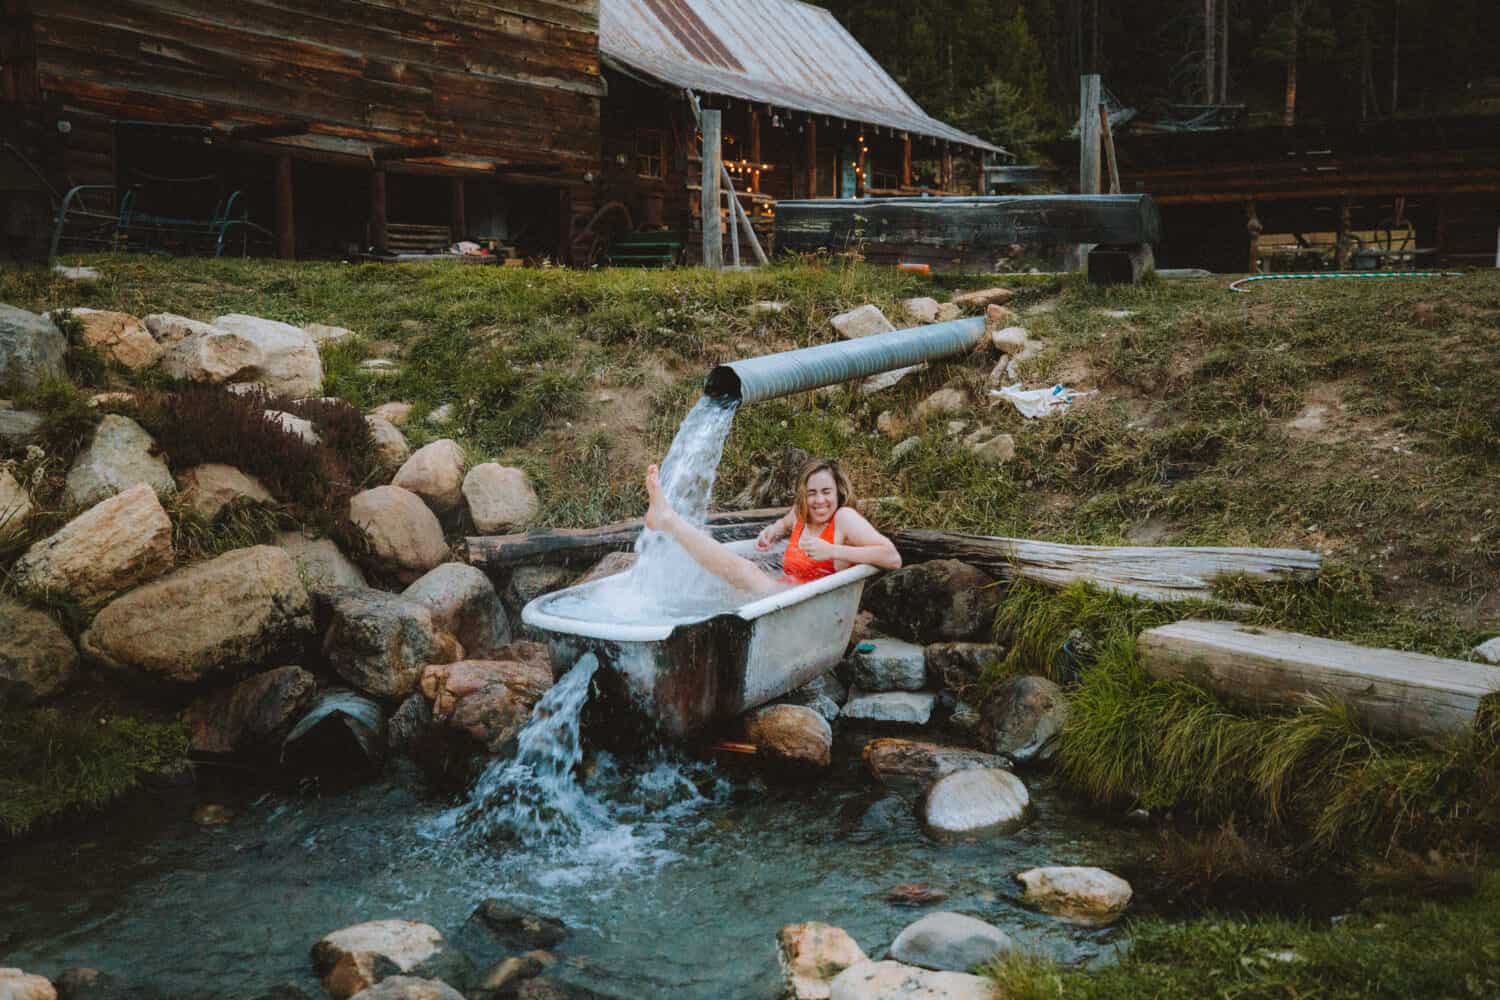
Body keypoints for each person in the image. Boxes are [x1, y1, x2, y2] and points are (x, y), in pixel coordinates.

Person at [644, 457, 901, 595]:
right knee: (722, 581)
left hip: (809, 606)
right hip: (784, 593)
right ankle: (668, 522)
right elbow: (784, 523)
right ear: (803, 495)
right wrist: (773, 531)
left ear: (838, 491)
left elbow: (892, 557)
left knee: (747, 572)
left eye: (826, 492)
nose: (819, 500)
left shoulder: (844, 518)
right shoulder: (801, 514)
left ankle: (669, 520)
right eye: (812, 493)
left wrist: (834, 551)